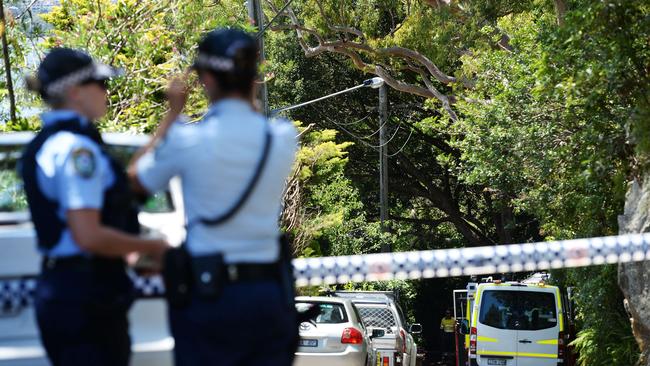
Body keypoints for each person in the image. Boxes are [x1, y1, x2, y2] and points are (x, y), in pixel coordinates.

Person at [128, 28, 298, 366]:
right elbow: (250, 118)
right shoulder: (281, 137)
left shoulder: (187, 141)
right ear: (253, 77)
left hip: (210, 296)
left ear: (205, 78)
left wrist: (172, 115)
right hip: (268, 295)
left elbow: (133, 182)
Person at [20, 48, 169, 366]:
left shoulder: (49, 142)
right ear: (75, 92)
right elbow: (87, 235)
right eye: (100, 84)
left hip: (70, 292)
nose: (106, 92)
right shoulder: (77, 150)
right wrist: (152, 246)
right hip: (87, 299)